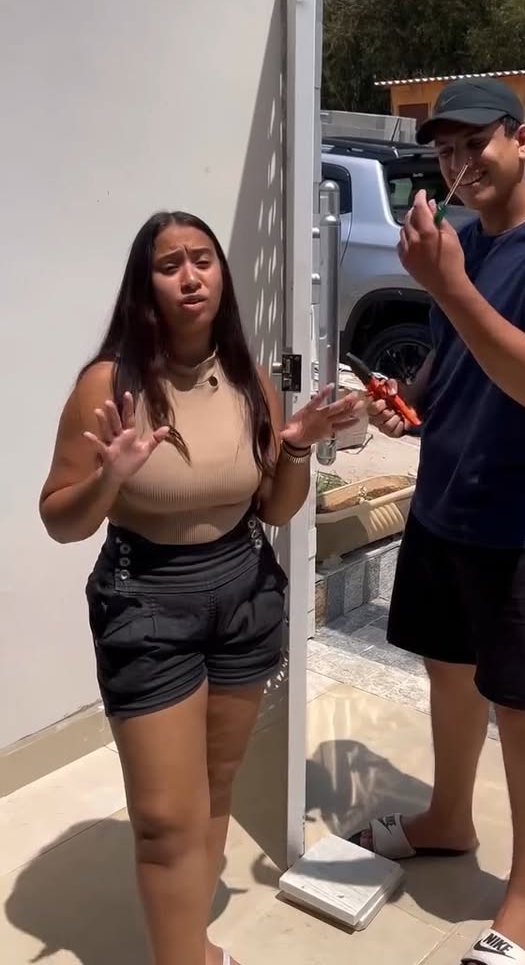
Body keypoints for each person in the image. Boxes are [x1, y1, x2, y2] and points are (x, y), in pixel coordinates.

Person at [40, 210, 362, 965]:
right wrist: (109, 480)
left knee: (216, 783)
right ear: (145, 285)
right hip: (145, 602)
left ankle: (195, 946)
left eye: (203, 260)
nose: (190, 277)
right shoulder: (108, 384)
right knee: (162, 818)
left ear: (221, 276)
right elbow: (59, 519)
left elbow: (275, 510)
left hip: (244, 592)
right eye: (170, 265)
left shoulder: (248, 378)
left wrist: (295, 448)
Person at [350, 79, 525, 965]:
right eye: (446, 149)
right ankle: (446, 819)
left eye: (476, 143)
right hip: (445, 503)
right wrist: (407, 403)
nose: (460, 163)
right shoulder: (462, 242)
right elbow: (454, 357)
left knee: (524, 709)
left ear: (521, 140)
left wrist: (449, 284)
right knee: (449, 675)